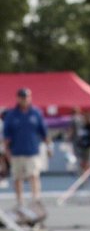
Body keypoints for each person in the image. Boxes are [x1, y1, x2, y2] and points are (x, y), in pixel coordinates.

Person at [2, 87, 48, 223]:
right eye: (22, 97)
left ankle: (35, 199)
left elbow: (43, 131)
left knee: (33, 175)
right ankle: (20, 202)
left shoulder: (36, 113)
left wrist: (49, 145)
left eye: (27, 97)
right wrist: (7, 150)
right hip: (16, 151)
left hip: (32, 151)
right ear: (18, 98)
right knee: (18, 177)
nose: (24, 99)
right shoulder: (11, 114)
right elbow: (6, 135)